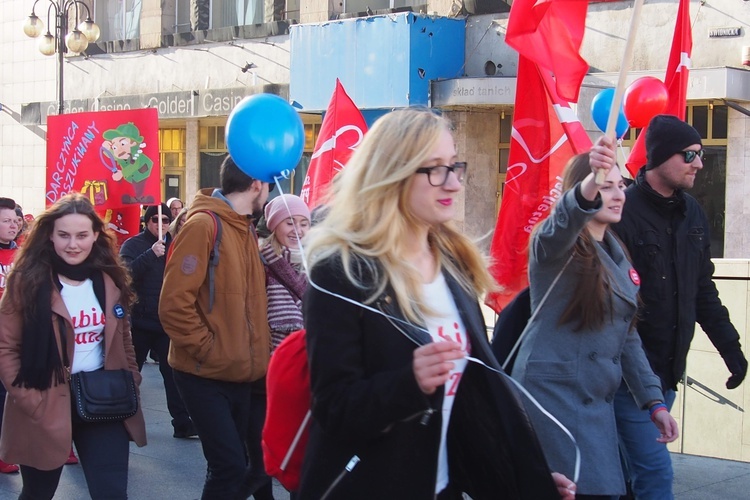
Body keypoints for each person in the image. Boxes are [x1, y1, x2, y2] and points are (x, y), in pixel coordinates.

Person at [298, 108, 575, 500]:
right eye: (434, 169)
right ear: (391, 176)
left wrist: (527, 481)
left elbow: (474, 404)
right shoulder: (341, 272)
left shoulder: (455, 266)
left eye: (454, 166)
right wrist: (409, 384)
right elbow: (334, 409)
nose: (453, 184)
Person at [510, 141, 679, 498]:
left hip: (595, 403)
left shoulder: (619, 256)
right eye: (606, 185)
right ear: (581, 190)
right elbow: (562, 224)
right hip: (551, 401)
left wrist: (654, 402)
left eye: (620, 185)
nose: (618, 195)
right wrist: (589, 183)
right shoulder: (553, 246)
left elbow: (626, 339)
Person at [612, 114, 748, 499]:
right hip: (628, 377)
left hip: (669, 374)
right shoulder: (623, 211)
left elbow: (703, 291)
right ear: (659, 158)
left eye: (701, 154)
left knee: (625, 480)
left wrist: (731, 349)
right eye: (689, 155)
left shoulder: (694, 214)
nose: (699, 164)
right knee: (655, 477)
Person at [0, 193, 146, 499]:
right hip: (44, 400)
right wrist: (30, 399)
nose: (73, 244)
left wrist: (131, 380)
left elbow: (123, 339)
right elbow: (5, 346)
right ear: (49, 235)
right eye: (64, 235)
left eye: (82, 235)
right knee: (38, 493)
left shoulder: (110, 279)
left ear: (96, 235)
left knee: (112, 493)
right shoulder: (26, 281)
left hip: (104, 399)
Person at [159, 154, 271, 499]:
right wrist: (210, 348)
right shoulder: (204, 225)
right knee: (229, 467)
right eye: (267, 183)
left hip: (241, 374)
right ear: (256, 185)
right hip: (204, 374)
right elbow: (173, 304)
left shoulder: (244, 227)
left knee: (248, 466)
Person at [243, 194, 311, 499]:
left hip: (305, 357)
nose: (297, 229)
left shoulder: (317, 259)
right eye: (289, 222)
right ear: (274, 226)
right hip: (268, 357)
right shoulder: (262, 257)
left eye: (303, 222)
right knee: (265, 445)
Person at [119, 203, 195, 439]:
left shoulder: (176, 243)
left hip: (165, 322)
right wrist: (151, 254)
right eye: (155, 220)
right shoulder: (132, 244)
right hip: (140, 322)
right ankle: (126, 422)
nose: (160, 225)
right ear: (146, 222)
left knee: (172, 376)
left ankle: (181, 423)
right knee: (132, 375)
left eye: (164, 220)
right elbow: (125, 275)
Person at [0, 197, 20, 474]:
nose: (12, 225)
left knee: (7, 396)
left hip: (13, 336)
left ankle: (4, 452)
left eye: (15, 220)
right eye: (5, 220)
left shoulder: (23, 254)